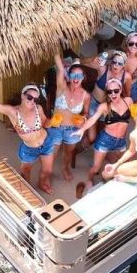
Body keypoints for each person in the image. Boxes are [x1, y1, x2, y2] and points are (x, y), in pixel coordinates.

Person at [0, 84, 55, 194]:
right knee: (25, 172)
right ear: (23, 96)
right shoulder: (13, 111)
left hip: (46, 142)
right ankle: (27, 193)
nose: (32, 101)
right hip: (29, 148)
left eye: (36, 99)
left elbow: (45, 123)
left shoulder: (38, 108)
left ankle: (42, 184)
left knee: (47, 170)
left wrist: (52, 121)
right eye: (29, 97)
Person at [71, 78, 134, 187]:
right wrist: (82, 129)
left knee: (127, 162)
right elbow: (93, 119)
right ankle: (89, 180)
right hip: (105, 141)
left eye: (116, 90)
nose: (113, 94)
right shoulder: (104, 107)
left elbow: (136, 114)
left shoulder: (128, 101)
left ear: (121, 89)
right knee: (96, 168)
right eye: (109, 91)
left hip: (121, 141)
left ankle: (124, 178)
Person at [48, 53, 91, 181]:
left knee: (68, 152)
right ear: (69, 75)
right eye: (73, 75)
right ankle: (47, 172)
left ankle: (65, 168)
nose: (76, 78)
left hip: (72, 130)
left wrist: (83, 120)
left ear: (83, 77)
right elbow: (60, 68)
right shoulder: (62, 87)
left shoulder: (86, 96)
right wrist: (54, 48)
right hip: (56, 127)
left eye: (79, 75)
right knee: (52, 153)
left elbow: (86, 114)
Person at [81, 50, 132, 142]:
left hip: (108, 108)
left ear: (124, 65)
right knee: (92, 137)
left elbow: (127, 94)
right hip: (94, 103)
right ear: (110, 62)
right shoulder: (102, 68)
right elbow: (83, 62)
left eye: (120, 63)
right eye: (114, 62)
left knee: (102, 132)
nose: (116, 65)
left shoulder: (127, 77)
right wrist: (94, 59)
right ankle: (86, 136)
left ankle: (87, 138)